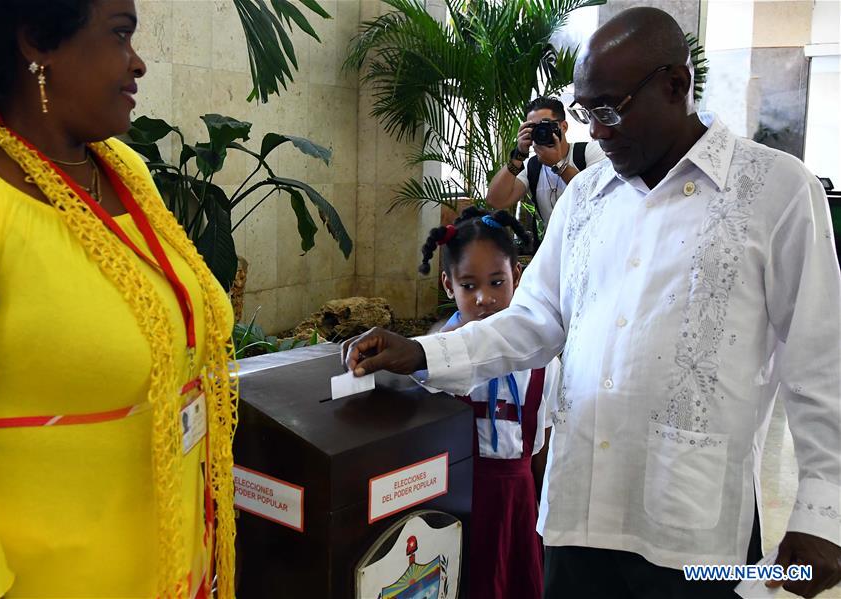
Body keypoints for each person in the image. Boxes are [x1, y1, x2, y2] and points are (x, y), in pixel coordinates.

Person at [342, 7, 841, 599]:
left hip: (695, 531)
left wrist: (823, 513)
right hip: (580, 514)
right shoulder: (586, 196)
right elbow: (535, 320)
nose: (596, 132)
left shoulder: (776, 191)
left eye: (609, 109)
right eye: (586, 113)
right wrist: (425, 352)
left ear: (674, 85)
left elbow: (821, 358)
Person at [0, 1, 237, 597]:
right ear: (35, 41)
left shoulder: (122, 168)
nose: (139, 64)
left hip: (180, 569)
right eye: (120, 36)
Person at [418, 207, 554, 599]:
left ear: (518, 276)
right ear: (448, 285)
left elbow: (541, 447)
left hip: (517, 510)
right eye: (469, 285)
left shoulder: (544, 362)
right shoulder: (432, 361)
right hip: (456, 510)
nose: (484, 299)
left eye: (497, 282)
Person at [486, 96, 605, 251]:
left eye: (546, 125)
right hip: (556, 253)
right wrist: (518, 155)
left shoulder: (590, 151)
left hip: (595, 247)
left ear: (564, 126)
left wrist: (559, 164)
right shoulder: (532, 166)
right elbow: (496, 200)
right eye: (533, 127)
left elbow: (596, 194)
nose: (541, 131)